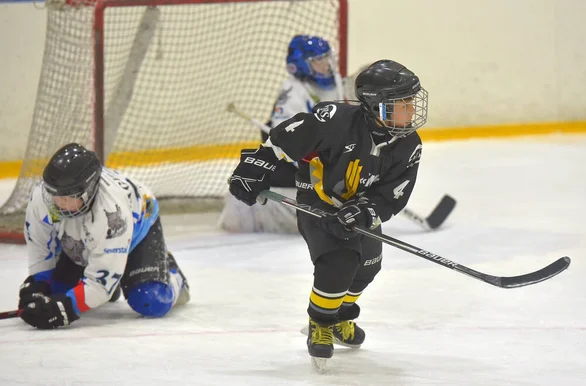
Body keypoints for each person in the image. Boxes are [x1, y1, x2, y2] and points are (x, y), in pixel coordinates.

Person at [227, 60, 428, 368]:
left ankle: (340, 318)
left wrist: (365, 211)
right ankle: (320, 323)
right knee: (339, 262)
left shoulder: (409, 144)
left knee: (368, 267)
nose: (411, 110)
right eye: (402, 103)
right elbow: (288, 135)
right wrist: (258, 164)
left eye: (411, 102)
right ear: (377, 106)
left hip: (359, 209)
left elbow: (392, 195)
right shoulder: (337, 119)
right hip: (319, 203)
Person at [18, 143, 190, 329]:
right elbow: (41, 248)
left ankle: (172, 273)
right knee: (54, 292)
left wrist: (67, 307)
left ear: (89, 190)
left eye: (67, 196)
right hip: (85, 241)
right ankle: (115, 275)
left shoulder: (112, 212)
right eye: (54, 194)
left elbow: (100, 285)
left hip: (137, 231)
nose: (58, 203)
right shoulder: (42, 198)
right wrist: (38, 284)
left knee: (150, 299)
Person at [218, 34, 344, 234]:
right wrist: (318, 170)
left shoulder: (335, 82)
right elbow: (288, 140)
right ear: (302, 65)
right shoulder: (293, 92)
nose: (327, 65)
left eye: (327, 58)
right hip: (294, 168)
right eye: (319, 61)